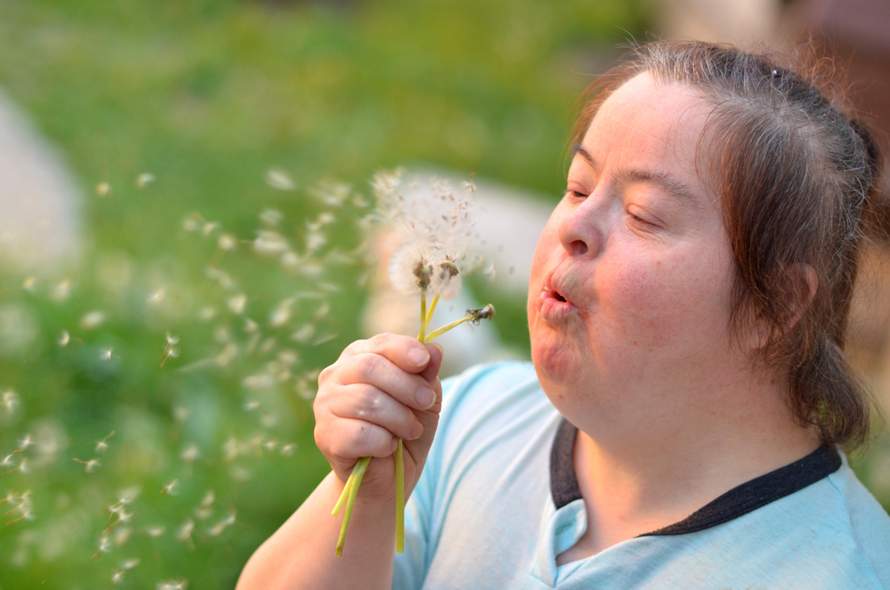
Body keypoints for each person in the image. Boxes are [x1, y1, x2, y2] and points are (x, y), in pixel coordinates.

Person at [236, 40, 890, 589]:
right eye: (578, 186)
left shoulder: (835, 572)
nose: (574, 224)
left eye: (643, 215)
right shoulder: (471, 421)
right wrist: (373, 493)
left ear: (774, 305)